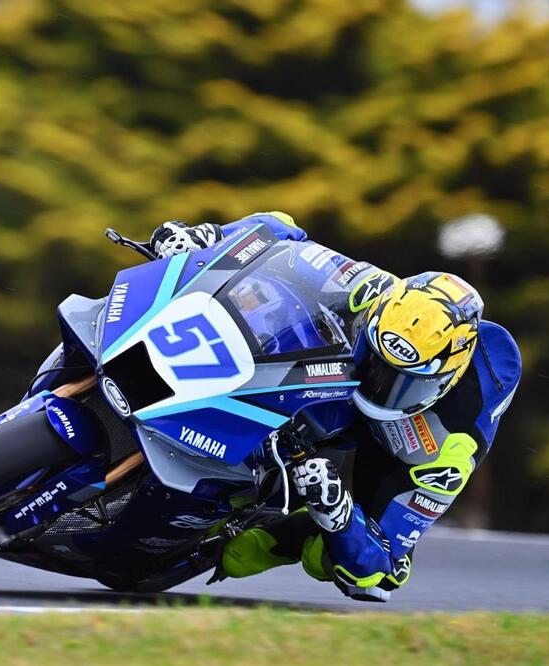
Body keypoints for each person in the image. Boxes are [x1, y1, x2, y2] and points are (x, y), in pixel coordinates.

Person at [149, 213, 522, 602]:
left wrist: (337, 512)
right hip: (335, 385)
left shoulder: (450, 448)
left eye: (402, 382)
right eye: (374, 362)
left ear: (442, 381)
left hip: (391, 458)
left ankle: (267, 527)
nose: (378, 383)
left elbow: (385, 566)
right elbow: (282, 232)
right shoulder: (371, 291)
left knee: (350, 569)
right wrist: (209, 238)